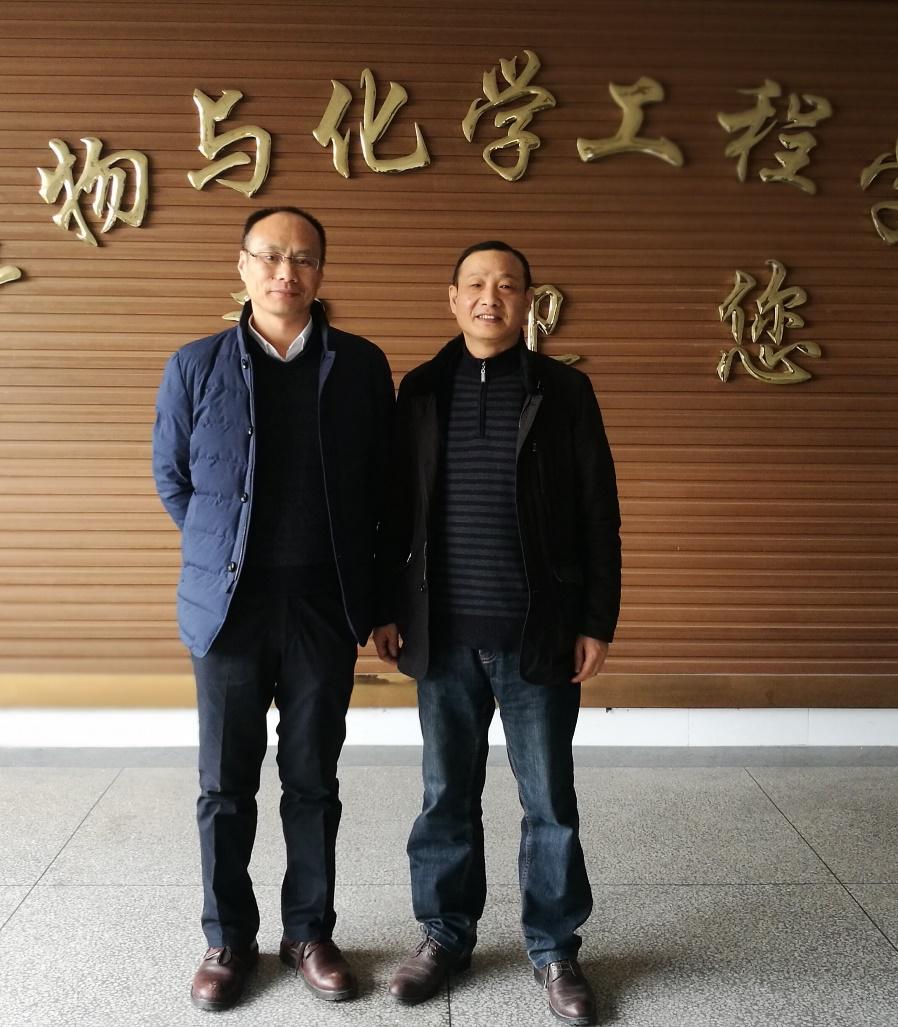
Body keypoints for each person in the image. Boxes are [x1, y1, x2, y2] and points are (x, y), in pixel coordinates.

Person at [152, 206, 394, 1012]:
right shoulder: (195, 365)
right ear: (243, 265)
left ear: (321, 271)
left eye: (303, 259)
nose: (286, 272)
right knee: (225, 783)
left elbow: (385, 486)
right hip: (229, 609)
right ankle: (228, 938)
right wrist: (225, 546)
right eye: (270, 256)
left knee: (312, 778)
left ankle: (309, 932)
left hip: (324, 603)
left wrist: (378, 598)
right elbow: (174, 478)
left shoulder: (360, 365)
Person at [374, 241, 621, 1026]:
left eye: (507, 285)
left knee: (549, 800)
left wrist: (597, 621)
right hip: (441, 634)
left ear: (527, 301)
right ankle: (445, 934)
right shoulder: (421, 389)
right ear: (452, 298)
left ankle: (554, 948)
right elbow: (393, 510)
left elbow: (599, 512)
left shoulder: (564, 390)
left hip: (537, 635)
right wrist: (385, 607)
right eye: (476, 284)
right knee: (445, 792)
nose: (491, 297)